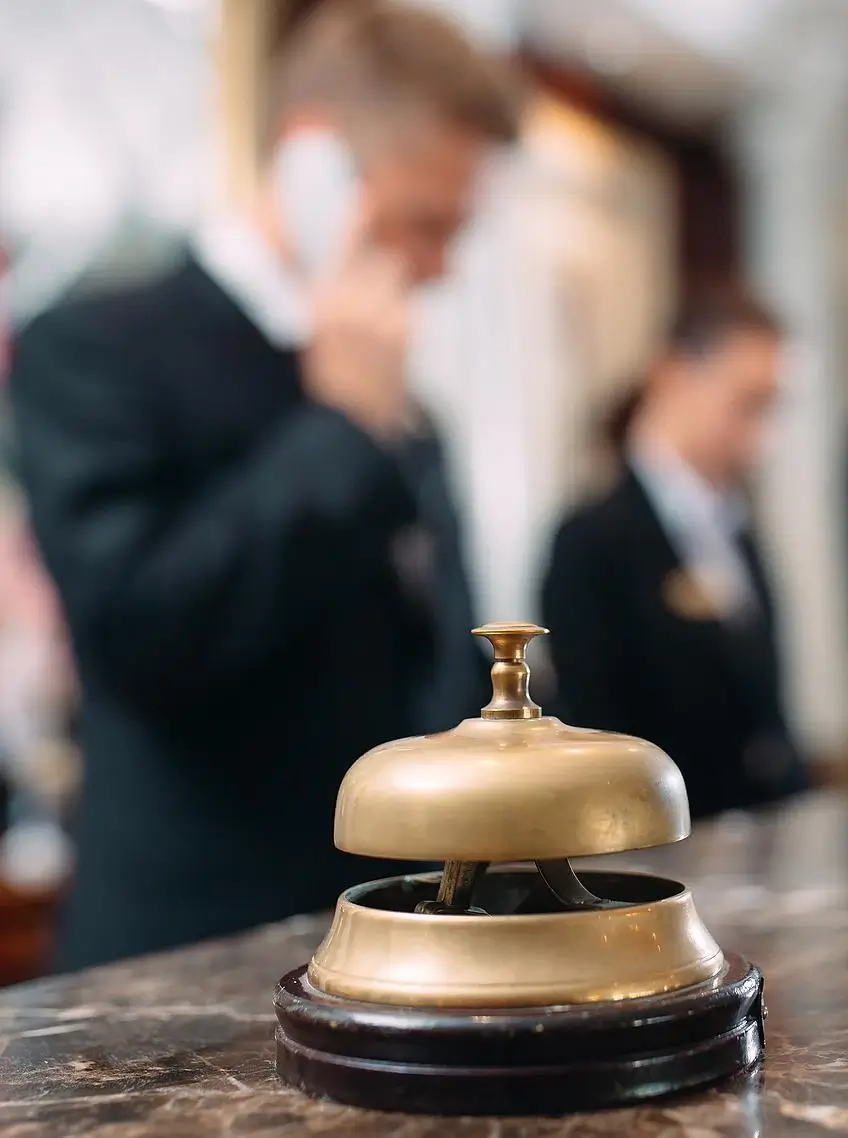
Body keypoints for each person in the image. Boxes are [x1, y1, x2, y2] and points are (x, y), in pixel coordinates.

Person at [8, 0, 519, 970]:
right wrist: (338, 430)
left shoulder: (409, 406)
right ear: (315, 162)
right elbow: (136, 633)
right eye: (424, 224)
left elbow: (438, 659)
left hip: (396, 951)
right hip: (185, 963)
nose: (439, 268)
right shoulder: (94, 350)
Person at [539, 291, 809, 818]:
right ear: (673, 376)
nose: (763, 435)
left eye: (773, 407)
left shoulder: (737, 527)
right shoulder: (594, 538)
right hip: (662, 845)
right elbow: (599, 732)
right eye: (748, 402)